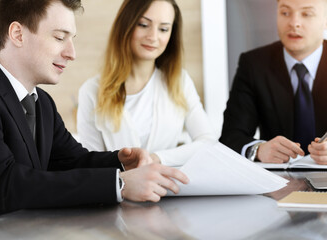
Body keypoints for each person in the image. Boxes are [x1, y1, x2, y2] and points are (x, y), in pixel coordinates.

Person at [0, 0, 189, 223]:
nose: (71, 53)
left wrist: (120, 162)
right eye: (59, 37)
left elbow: (71, 161)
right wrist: (119, 184)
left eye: (71, 40)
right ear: (17, 34)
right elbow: (7, 184)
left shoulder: (42, 102)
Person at [77, 0, 215, 167]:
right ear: (126, 25)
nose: (153, 37)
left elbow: (208, 143)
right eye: (143, 25)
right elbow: (90, 165)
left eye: (163, 29)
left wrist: (156, 158)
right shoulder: (91, 91)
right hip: (118, 192)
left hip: (168, 189)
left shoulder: (180, 81)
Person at [220, 0, 327, 164]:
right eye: (285, 13)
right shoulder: (254, 64)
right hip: (277, 181)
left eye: (306, 14)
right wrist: (258, 150)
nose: (294, 23)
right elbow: (231, 136)